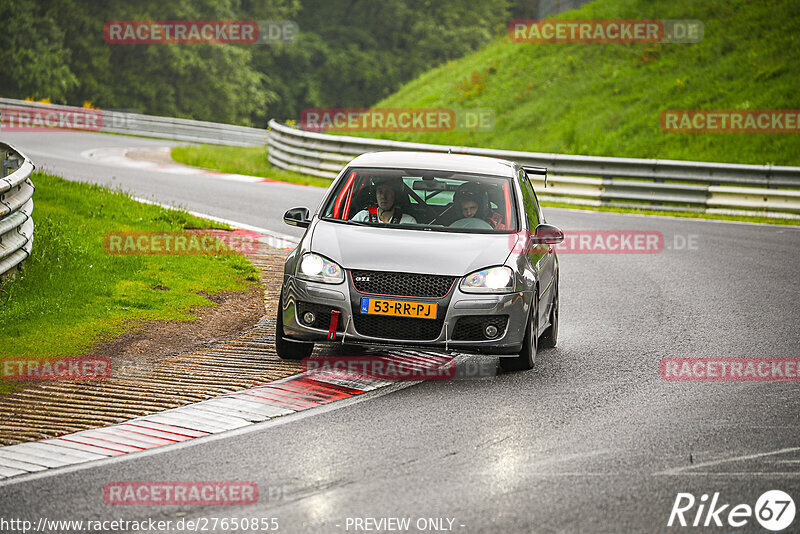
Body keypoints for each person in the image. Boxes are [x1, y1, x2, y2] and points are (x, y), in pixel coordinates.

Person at [351, 176, 417, 224]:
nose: (383, 196)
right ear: (375, 195)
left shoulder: (408, 221)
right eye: (380, 192)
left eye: (388, 192)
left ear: (396, 196)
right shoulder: (362, 217)